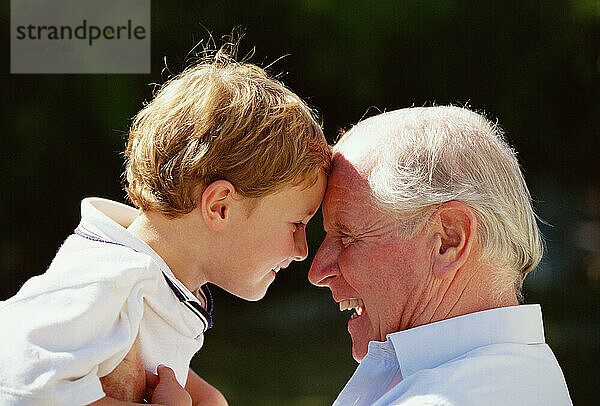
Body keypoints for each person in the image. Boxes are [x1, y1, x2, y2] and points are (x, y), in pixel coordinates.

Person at [0, 44, 330, 406]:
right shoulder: (111, 279)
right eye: (297, 224)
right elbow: (20, 383)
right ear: (220, 207)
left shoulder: (151, 287)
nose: (302, 250)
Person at [308, 106, 572, 405]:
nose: (318, 271)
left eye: (346, 236)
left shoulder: (448, 397)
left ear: (449, 240)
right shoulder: (520, 374)